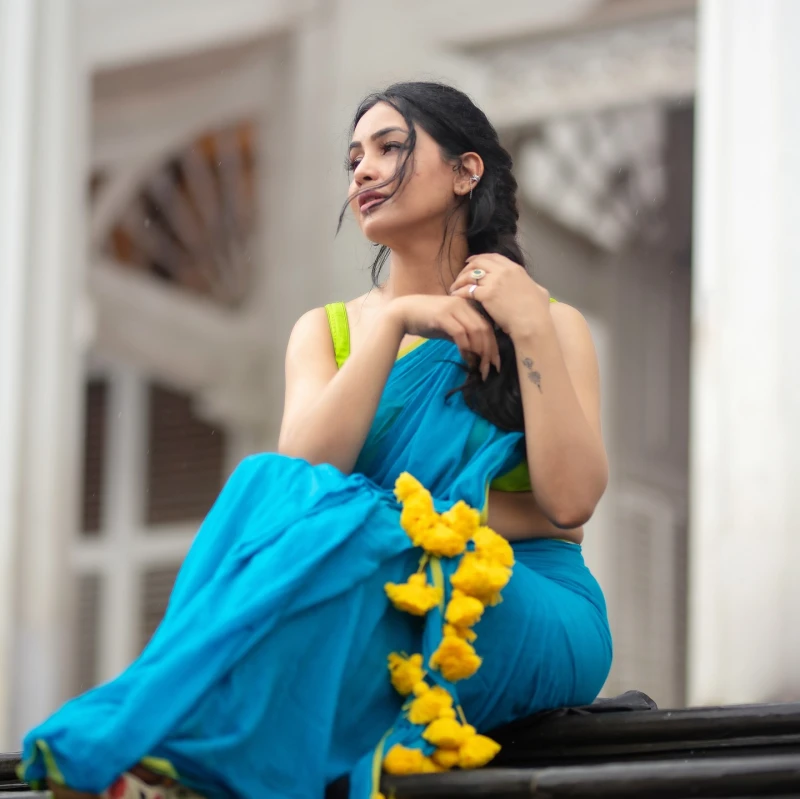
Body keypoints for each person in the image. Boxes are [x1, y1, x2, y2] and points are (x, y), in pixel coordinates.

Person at [20, 81, 612, 799]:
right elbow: (297, 488)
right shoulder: (325, 333)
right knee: (272, 489)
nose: (362, 170)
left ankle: (162, 746)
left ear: (466, 170)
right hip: (371, 583)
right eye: (354, 155)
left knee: (363, 530)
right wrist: (394, 325)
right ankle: (173, 742)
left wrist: (528, 326)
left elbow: (570, 505)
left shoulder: (549, 322)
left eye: (391, 147)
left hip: (525, 601)